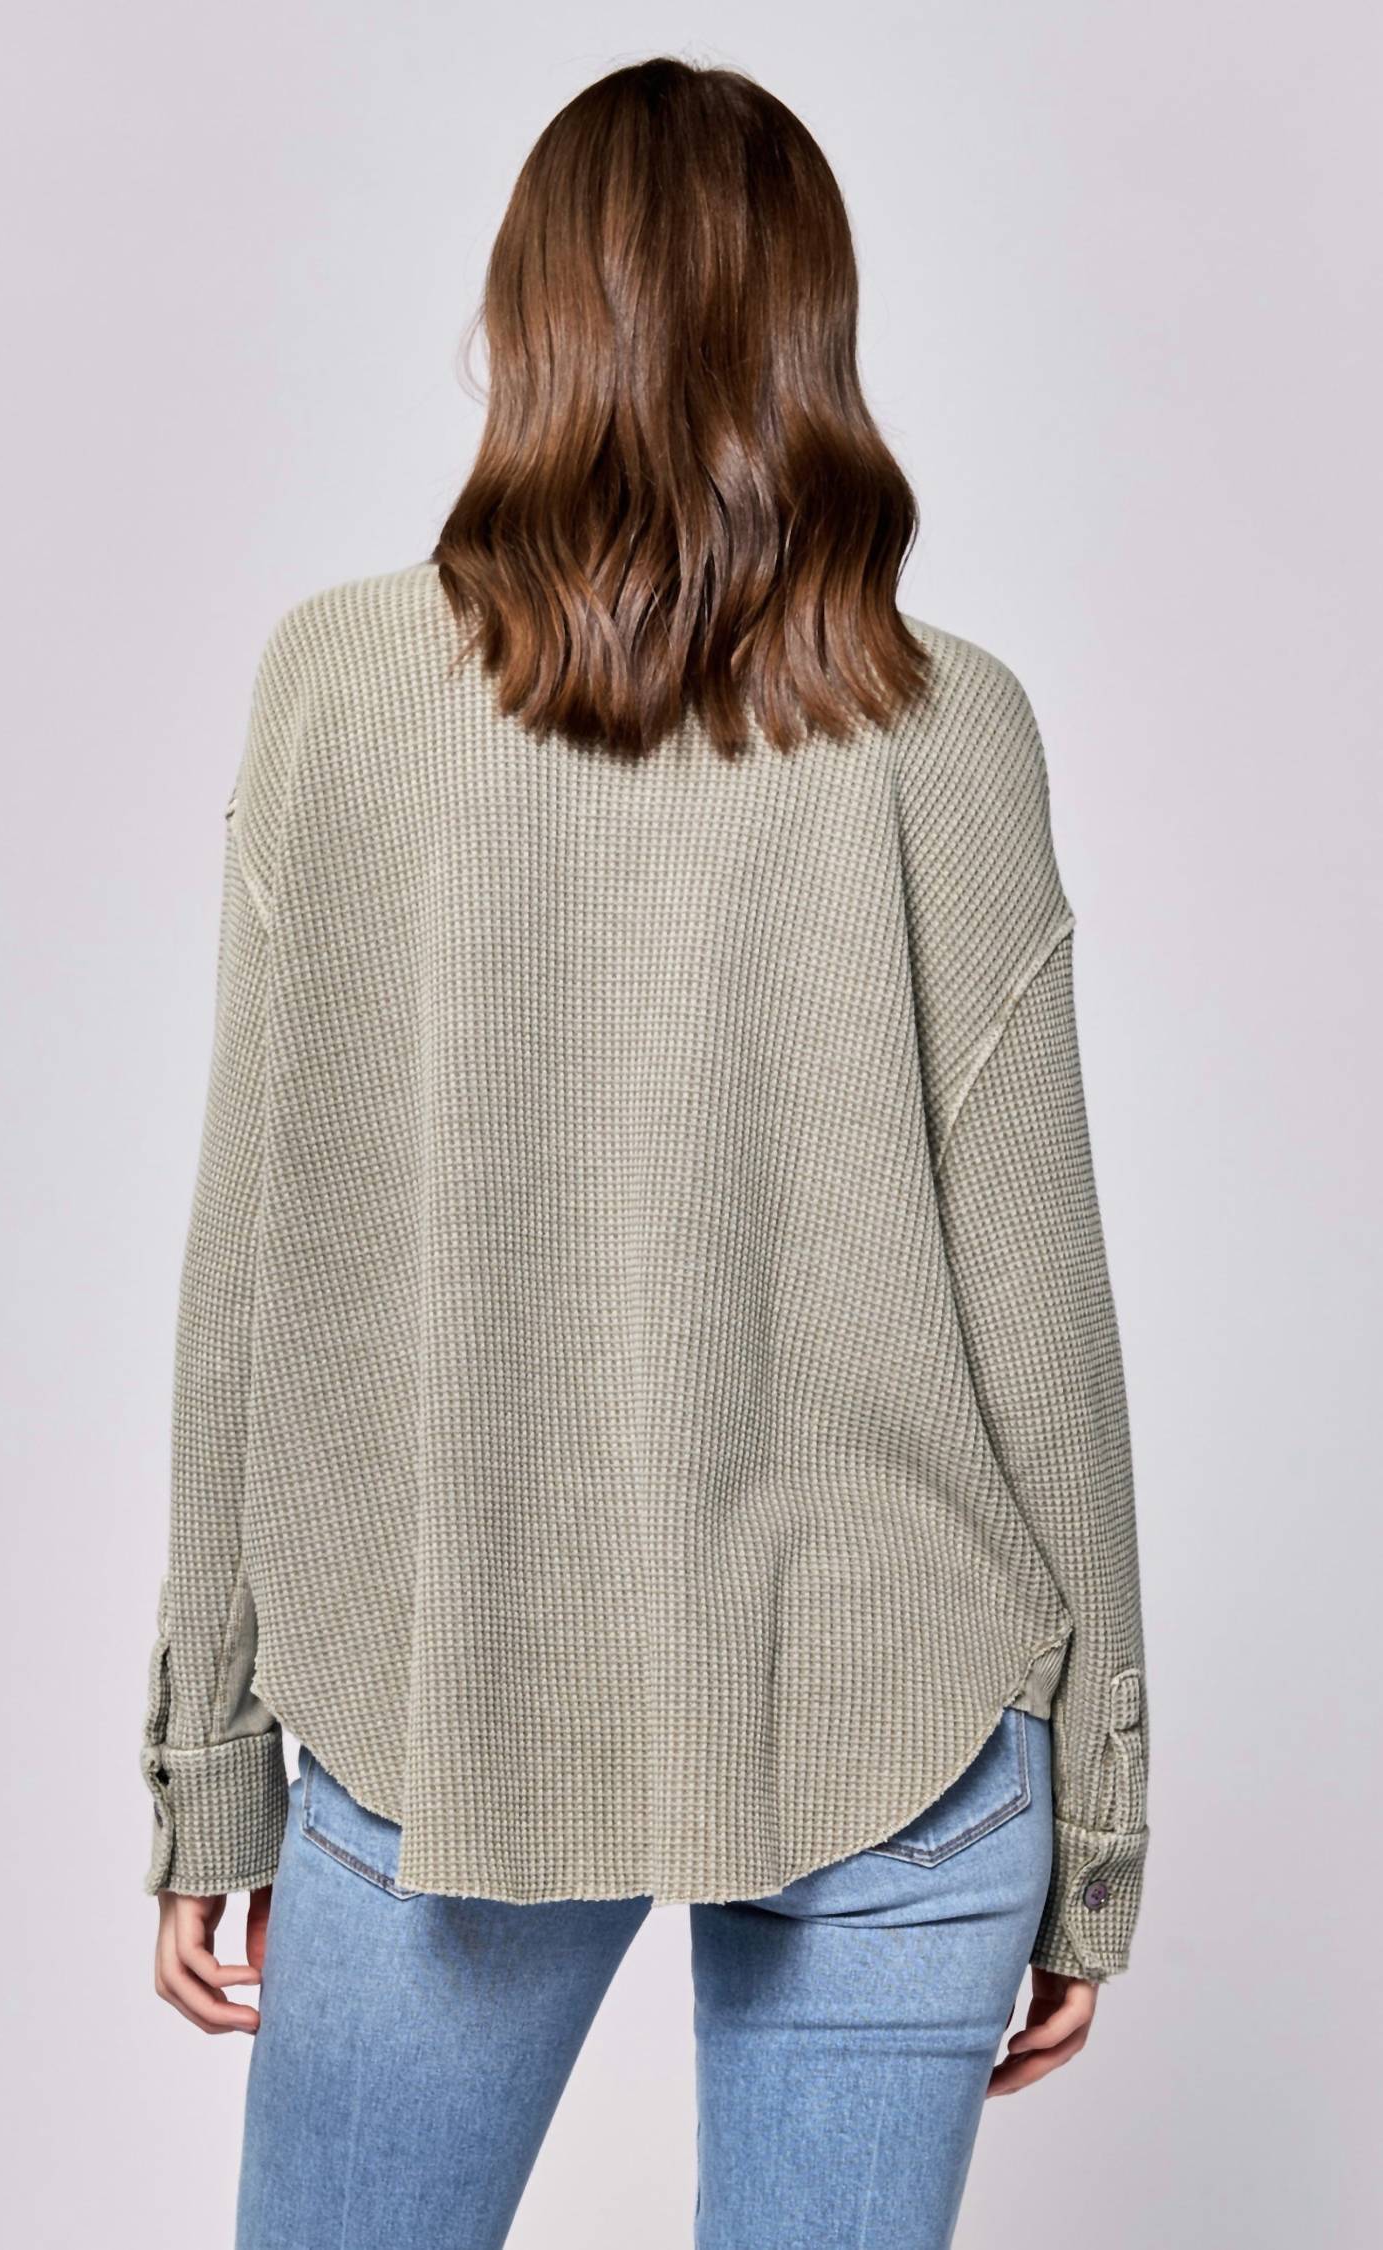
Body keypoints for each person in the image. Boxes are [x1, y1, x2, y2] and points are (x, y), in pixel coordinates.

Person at [141, 55, 1150, 2250]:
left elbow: (249, 1260)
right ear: (816, 336)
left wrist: (206, 1755)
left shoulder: (337, 687)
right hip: (897, 1706)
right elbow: (1043, 1305)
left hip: (448, 1682)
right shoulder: (949, 725)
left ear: (526, 319)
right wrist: (1096, 1823)